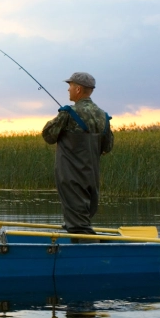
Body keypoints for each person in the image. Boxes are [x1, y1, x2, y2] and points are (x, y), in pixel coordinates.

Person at [42, 72, 114, 241]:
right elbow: (107, 147)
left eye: (70, 86)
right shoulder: (103, 116)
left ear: (78, 89)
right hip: (92, 177)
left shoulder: (68, 113)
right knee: (81, 219)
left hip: (70, 177)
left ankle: (89, 255)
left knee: (78, 225)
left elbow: (48, 136)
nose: (68, 89)